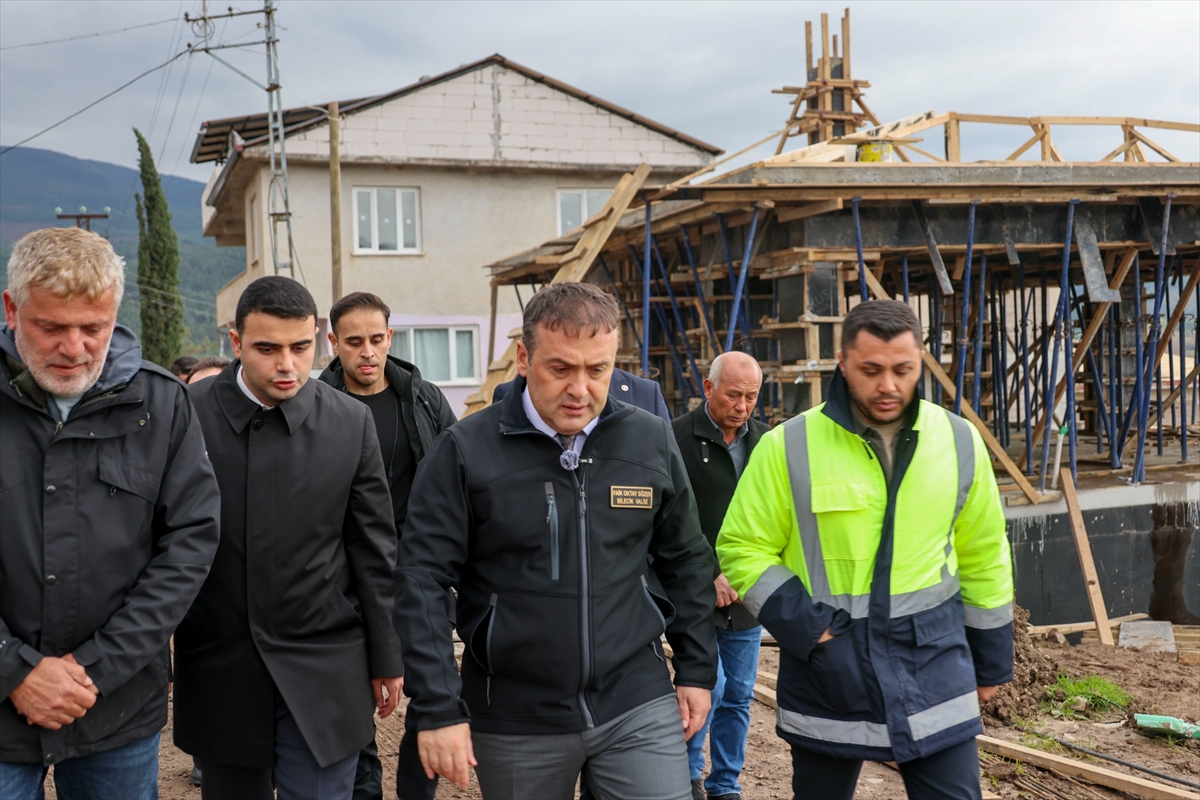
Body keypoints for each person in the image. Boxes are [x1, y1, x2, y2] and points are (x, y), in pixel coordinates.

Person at [394, 282, 718, 800]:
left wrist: (697, 669)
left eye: (598, 370)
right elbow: (422, 581)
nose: (580, 389)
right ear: (524, 358)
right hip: (515, 712)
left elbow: (686, 558)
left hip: (636, 698)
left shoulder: (649, 440)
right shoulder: (465, 451)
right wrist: (438, 705)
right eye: (561, 368)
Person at [717, 300, 1013, 800]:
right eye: (871, 370)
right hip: (828, 674)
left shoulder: (958, 441)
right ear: (843, 361)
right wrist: (812, 630)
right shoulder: (788, 446)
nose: (888, 385)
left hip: (934, 669)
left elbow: (984, 553)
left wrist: (991, 661)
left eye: (903, 370)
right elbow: (743, 547)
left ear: (920, 361)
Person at [0, 227, 221, 799]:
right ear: (11, 309)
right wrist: (13, 670)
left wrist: (96, 668)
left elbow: (189, 545)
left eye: (93, 328)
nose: (74, 348)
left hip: (115, 708)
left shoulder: (163, 405)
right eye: (51, 328)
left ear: (115, 314)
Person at [174, 276, 404, 800]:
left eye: (300, 348)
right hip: (220, 664)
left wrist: (386, 656)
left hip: (327, 661)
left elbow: (373, 551)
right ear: (236, 343)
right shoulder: (185, 414)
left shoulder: (351, 423)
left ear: (317, 339)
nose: (287, 365)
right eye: (267, 349)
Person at [319, 291, 457, 800]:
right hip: (343, 578)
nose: (367, 352)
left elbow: (458, 480)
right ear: (333, 343)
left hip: (417, 571)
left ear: (390, 337)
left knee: (433, 691)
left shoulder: (424, 400)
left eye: (377, 339)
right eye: (354, 341)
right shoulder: (316, 405)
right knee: (352, 700)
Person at [672, 351, 770, 800]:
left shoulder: (767, 444)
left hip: (747, 595)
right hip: (696, 592)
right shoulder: (675, 439)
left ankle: (726, 783)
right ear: (708, 388)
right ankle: (690, 775)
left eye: (751, 396)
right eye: (733, 395)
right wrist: (710, 573)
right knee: (706, 685)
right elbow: (675, 519)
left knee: (740, 695)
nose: (742, 406)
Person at [494, 364, 671, 423]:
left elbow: (670, 478)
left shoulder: (647, 393)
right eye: (561, 369)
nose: (579, 391)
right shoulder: (511, 393)